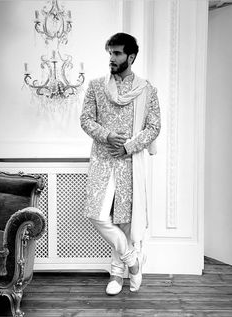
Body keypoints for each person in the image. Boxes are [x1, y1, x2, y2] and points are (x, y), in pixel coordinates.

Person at [80, 32, 161, 295]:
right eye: (110, 53)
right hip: (103, 160)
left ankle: (117, 275)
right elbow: (86, 120)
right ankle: (132, 261)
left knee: (124, 220)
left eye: (116, 53)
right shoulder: (95, 86)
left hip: (129, 162)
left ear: (131, 56)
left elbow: (153, 127)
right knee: (97, 215)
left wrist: (128, 146)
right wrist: (107, 135)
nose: (111, 58)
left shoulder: (147, 90)